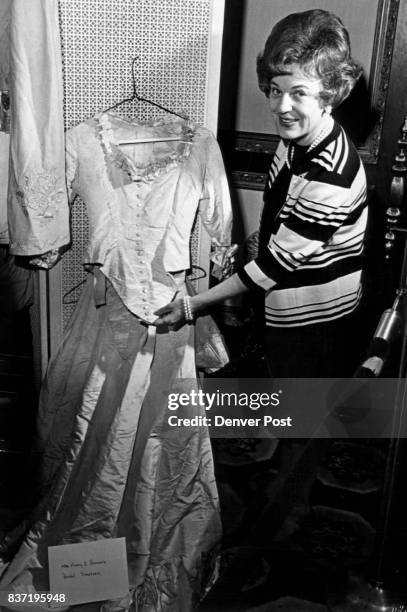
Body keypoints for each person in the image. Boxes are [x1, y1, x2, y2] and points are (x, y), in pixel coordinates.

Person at [0, 111, 232, 611]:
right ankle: (96, 553)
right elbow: (45, 213)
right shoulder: (82, 139)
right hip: (108, 314)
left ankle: (141, 542)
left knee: (161, 435)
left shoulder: (200, 145)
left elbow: (221, 229)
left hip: (171, 315)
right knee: (99, 427)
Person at [154, 9, 369, 379]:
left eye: (298, 93)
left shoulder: (333, 173)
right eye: (275, 89)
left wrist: (193, 305)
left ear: (330, 94)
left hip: (315, 319)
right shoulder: (297, 137)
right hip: (282, 303)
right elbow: (278, 211)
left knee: (300, 416)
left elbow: (273, 267)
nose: (281, 107)